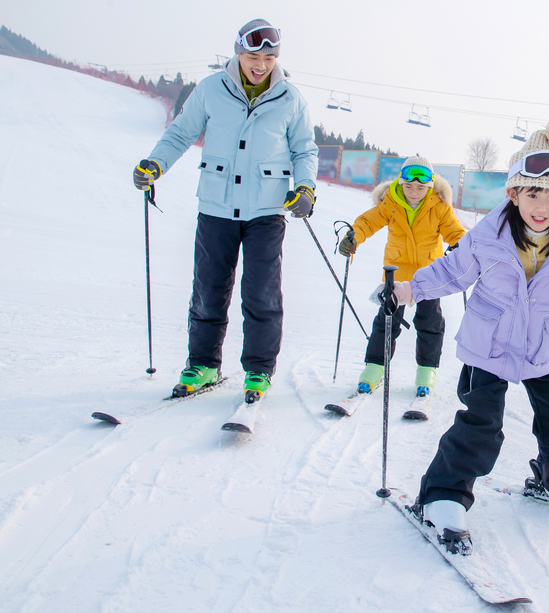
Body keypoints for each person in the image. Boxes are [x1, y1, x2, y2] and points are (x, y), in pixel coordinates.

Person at [389, 118, 549, 550]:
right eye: (533, 193)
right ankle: (442, 496)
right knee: (482, 423)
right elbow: (452, 272)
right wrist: (410, 288)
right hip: (490, 345)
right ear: (513, 193)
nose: (542, 206)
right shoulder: (488, 237)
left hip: (543, 346)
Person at [132, 19, 318, 401]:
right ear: (238, 53)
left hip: (267, 211)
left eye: (268, 57)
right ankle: (203, 365)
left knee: (261, 293)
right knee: (208, 289)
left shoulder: (290, 98)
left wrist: (305, 188)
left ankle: (259, 371)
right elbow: (182, 133)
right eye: (253, 55)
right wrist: (156, 164)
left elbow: (304, 150)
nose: (261, 64)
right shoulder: (211, 90)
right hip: (217, 207)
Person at [337, 157, 466, 408]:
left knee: (429, 323)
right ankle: (374, 368)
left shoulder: (439, 207)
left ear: (429, 186)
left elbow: (455, 231)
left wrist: (461, 245)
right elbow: (368, 221)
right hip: (396, 273)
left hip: (430, 274)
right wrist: (354, 236)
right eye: (409, 186)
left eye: (420, 187)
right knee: (386, 322)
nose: (414, 192)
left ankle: (426, 371)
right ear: (401, 182)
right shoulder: (391, 203)